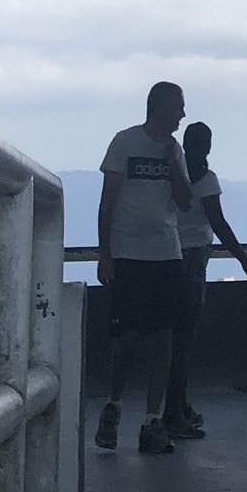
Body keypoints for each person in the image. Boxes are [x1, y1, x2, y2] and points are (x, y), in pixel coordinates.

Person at [95, 80, 193, 455]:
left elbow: (184, 202)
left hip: (166, 254)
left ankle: (153, 419)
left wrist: (172, 163)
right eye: (178, 107)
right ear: (160, 107)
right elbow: (107, 202)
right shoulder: (124, 142)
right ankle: (114, 404)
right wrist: (105, 254)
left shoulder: (175, 150)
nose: (182, 114)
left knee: (163, 337)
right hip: (129, 253)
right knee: (127, 338)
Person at [165, 119, 247, 439]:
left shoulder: (171, 177)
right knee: (184, 338)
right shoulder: (206, 180)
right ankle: (175, 409)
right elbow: (217, 221)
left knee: (170, 336)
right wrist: (242, 257)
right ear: (206, 146)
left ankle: (177, 403)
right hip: (194, 258)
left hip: (167, 254)